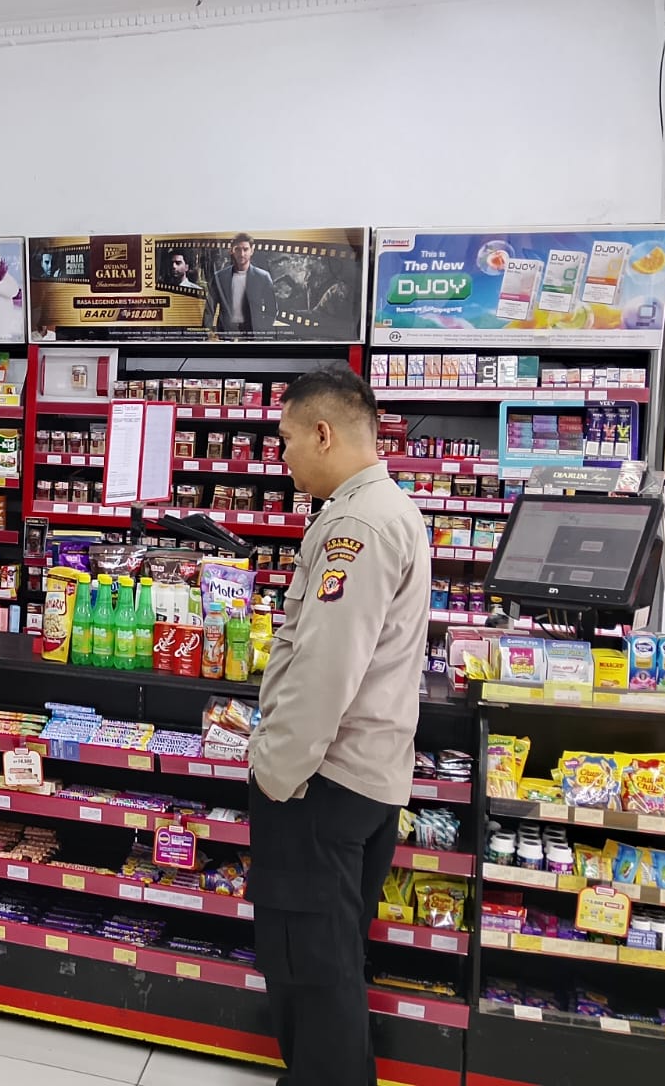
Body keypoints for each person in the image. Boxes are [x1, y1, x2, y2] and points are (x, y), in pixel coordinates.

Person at [246, 366, 429, 1086]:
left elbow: (326, 668)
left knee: (313, 967)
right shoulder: (387, 507)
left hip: (321, 783)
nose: (283, 456)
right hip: (364, 777)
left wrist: (276, 772)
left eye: (287, 439)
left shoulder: (357, 524)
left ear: (323, 433)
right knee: (330, 957)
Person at [203, 232, 278, 333]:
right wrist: (208, 332)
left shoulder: (263, 277)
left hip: (253, 334)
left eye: (245, 249)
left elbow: (271, 309)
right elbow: (209, 309)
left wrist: (261, 329)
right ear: (232, 250)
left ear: (252, 250)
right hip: (225, 333)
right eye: (237, 249)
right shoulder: (219, 277)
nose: (242, 254)